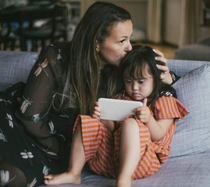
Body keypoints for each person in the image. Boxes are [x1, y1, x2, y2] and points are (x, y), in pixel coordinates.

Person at [0, 2, 175, 187]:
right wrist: (68, 153)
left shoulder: (121, 68)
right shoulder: (55, 57)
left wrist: (168, 76)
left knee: (12, 176)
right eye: (122, 41)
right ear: (96, 43)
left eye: (130, 39)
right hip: (25, 124)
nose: (129, 48)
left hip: (64, 146)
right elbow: (30, 117)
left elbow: (148, 81)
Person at [43, 45, 189, 187]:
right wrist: (102, 119)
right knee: (86, 121)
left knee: (131, 124)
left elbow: (159, 134)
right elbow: (113, 131)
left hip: (143, 161)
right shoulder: (121, 98)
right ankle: (74, 173)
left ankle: (123, 181)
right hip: (112, 161)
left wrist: (149, 120)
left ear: (157, 78)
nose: (134, 88)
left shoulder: (164, 100)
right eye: (128, 81)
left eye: (141, 81)